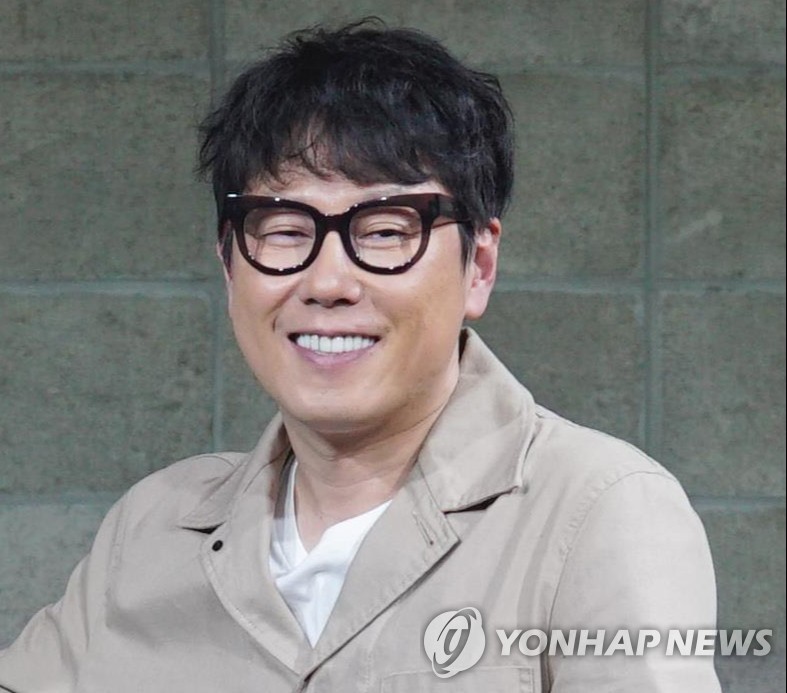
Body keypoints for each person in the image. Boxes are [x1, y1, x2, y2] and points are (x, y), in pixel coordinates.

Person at [0, 20, 720, 692]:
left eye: (384, 230)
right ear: (228, 266)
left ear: (479, 266)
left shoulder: (597, 508)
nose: (328, 282)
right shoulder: (152, 526)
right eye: (284, 229)